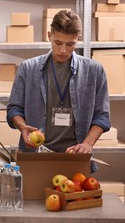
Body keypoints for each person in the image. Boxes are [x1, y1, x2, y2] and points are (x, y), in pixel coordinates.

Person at [6, 9, 110, 172]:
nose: (63, 50)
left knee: (74, 198)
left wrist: (87, 144)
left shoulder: (94, 71)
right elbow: (14, 109)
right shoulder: (28, 68)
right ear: (49, 35)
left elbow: (102, 116)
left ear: (78, 39)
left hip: (75, 156)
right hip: (35, 157)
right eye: (58, 42)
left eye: (70, 44)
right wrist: (22, 127)